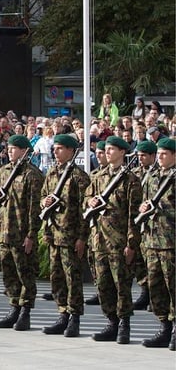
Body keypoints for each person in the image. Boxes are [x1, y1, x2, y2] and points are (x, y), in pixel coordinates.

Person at [86, 135, 141, 344]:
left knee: (121, 286)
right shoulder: (98, 177)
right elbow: (87, 201)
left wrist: (131, 244)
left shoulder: (131, 180)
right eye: (106, 149)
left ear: (122, 152)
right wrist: (89, 201)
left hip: (119, 241)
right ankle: (111, 321)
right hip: (99, 240)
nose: (106, 153)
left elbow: (133, 215)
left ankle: (124, 324)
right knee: (103, 284)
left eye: (111, 149)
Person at [0, 135, 44, 331]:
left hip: (21, 233)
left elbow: (34, 208)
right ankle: (13, 308)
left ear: (24, 151)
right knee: (9, 273)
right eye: (8, 148)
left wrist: (31, 235)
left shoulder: (32, 175)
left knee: (25, 274)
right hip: (4, 231)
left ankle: (25, 312)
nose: (9, 151)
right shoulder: (3, 171)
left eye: (14, 148)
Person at [40, 134, 91, 338]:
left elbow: (84, 211)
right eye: (55, 148)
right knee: (57, 278)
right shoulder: (52, 173)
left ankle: (74, 318)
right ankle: (62, 313)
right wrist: (44, 204)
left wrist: (82, 237)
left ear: (71, 151)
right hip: (54, 234)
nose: (55, 151)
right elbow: (44, 198)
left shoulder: (79, 177)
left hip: (71, 236)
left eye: (60, 148)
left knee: (73, 279)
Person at [137, 137, 175, 349]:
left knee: (173, 287)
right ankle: (164, 327)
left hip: (171, 241)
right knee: (156, 287)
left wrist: (159, 207)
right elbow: (144, 200)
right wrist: (144, 208)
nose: (159, 158)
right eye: (158, 154)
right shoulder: (152, 176)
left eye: (164, 154)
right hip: (151, 239)